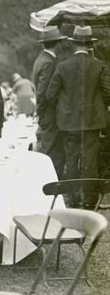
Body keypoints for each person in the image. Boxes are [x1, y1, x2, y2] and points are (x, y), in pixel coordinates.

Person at [46, 26, 110, 206]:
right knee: (90, 160)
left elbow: (50, 96)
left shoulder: (62, 66)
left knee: (71, 159)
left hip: (68, 122)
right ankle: (89, 201)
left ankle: (72, 200)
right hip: (93, 121)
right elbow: (108, 92)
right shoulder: (99, 65)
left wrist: (64, 107)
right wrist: (97, 105)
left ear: (73, 45)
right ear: (90, 44)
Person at [32, 26, 65, 177]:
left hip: (46, 114)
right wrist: (43, 114)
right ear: (57, 43)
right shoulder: (49, 62)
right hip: (50, 115)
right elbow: (43, 93)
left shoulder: (40, 59)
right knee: (54, 154)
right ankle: (51, 187)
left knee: (48, 151)